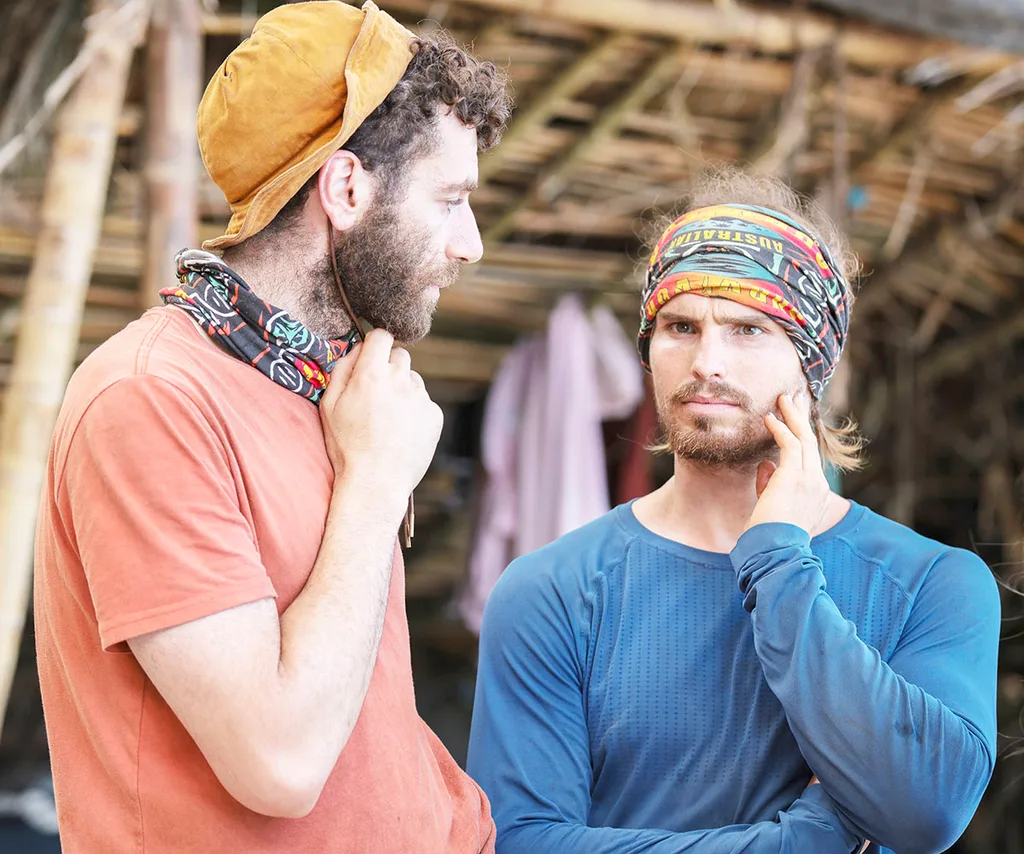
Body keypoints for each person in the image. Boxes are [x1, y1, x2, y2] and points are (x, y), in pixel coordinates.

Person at [34, 2, 510, 851]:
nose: (471, 244)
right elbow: (279, 762)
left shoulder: (329, 389)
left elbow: (363, 715)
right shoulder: (149, 400)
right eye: (450, 199)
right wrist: (371, 486)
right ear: (347, 187)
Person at [466, 168, 1000, 854]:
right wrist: (810, 838)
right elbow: (521, 844)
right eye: (680, 326)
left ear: (812, 365)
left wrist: (777, 559)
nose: (705, 362)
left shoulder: (933, 584)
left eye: (748, 329)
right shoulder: (551, 590)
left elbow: (926, 812)